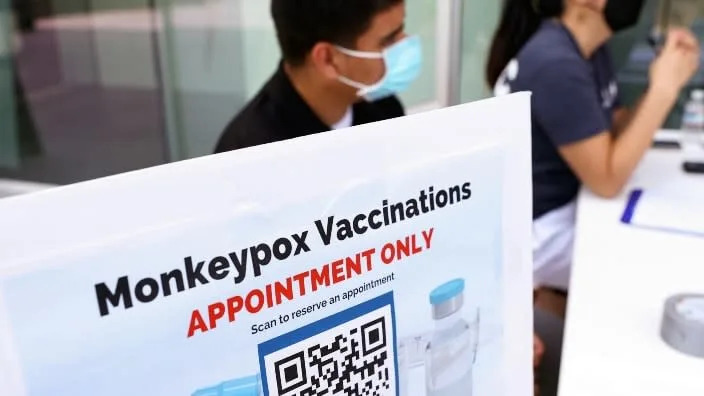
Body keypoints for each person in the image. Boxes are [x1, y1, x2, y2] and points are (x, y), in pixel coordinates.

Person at [487, 0, 699, 295]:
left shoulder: (587, 49)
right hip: (534, 232)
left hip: (565, 206)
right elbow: (606, 180)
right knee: (661, 264)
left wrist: (660, 82)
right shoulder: (556, 63)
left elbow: (614, 131)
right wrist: (664, 90)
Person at [215, 0, 421, 153]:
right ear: (328, 59)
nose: (405, 44)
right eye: (388, 41)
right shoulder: (250, 156)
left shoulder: (384, 110)